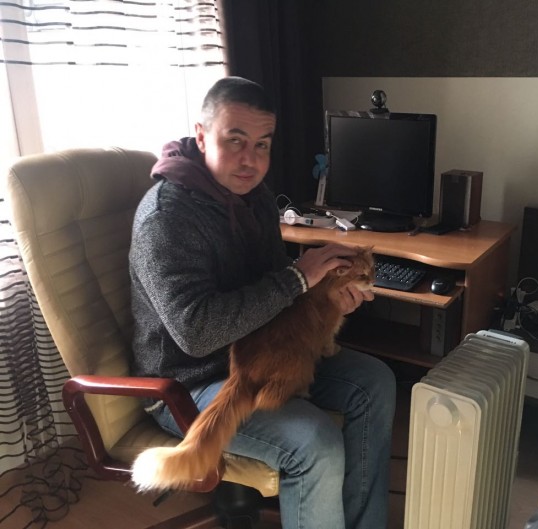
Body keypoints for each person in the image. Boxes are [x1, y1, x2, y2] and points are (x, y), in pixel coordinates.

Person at [128, 76, 396, 529]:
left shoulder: (257, 199)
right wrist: (298, 277)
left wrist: (327, 300)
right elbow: (196, 334)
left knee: (375, 382)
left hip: (264, 354)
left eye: (262, 145)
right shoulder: (166, 218)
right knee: (316, 442)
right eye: (235, 140)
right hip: (190, 380)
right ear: (201, 136)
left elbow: (279, 294)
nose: (250, 160)